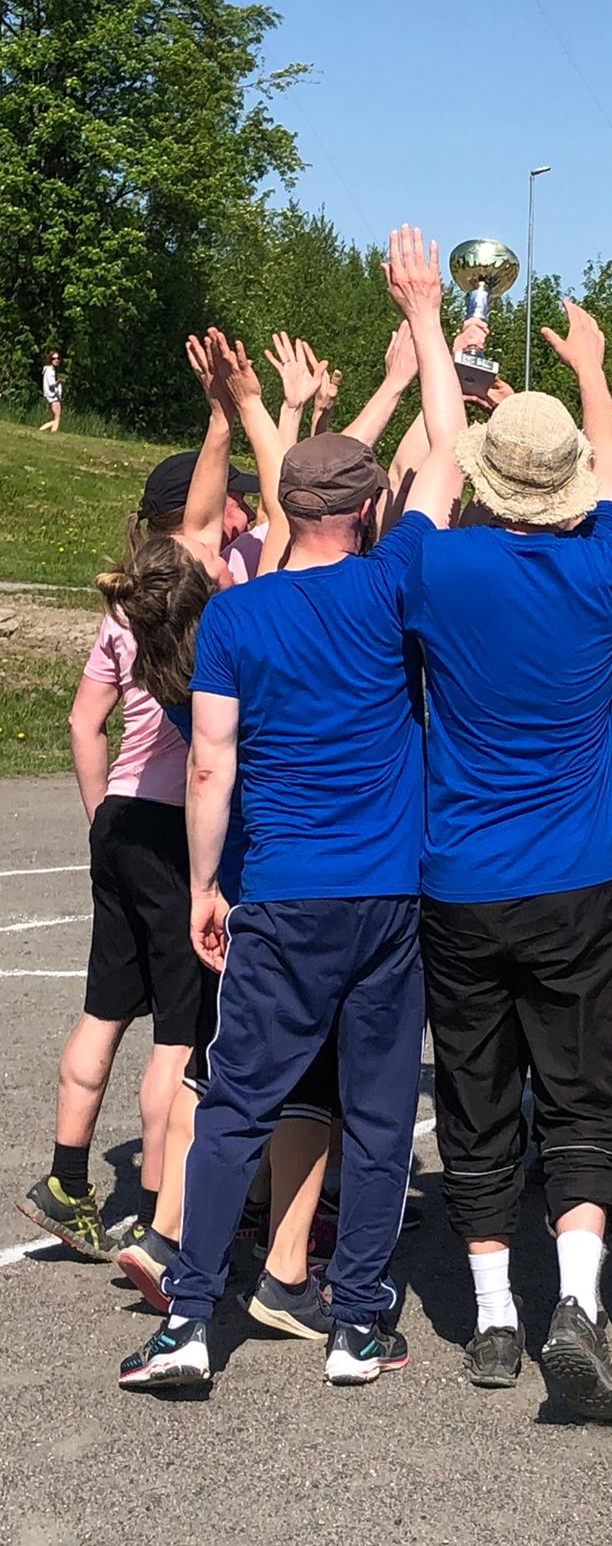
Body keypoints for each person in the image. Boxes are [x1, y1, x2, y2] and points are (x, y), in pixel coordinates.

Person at [117, 224, 464, 1392]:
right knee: (379, 1112)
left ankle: (187, 1322)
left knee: (236, 1108)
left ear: (286, 509)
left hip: (281, 892)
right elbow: (448, 450)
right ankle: (357, 1321)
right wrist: (424, 315)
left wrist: (203, 886)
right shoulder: (394, 582)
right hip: (388, 894)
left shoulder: (237, 612)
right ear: (365, 507)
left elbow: (210, 766)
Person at [407, 301, 612, 1423]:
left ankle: (494, 1313)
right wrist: (592, 371)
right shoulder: (605, 565)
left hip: (460, 878)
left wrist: (431, 336)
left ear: (486, 479)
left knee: (475, 1091)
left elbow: (424, 482)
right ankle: (578, 1302)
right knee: (585, 1093)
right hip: (579, 875)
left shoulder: (440, 566)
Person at [14, 408, 251, 1259]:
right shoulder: (202, 597)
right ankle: (159, 1217)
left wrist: (98, 817)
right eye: (227, 501)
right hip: (172, 825)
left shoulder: (126, 605)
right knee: (180, 1033)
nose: (238, 512)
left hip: (117, 817)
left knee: (104, 1007)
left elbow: (85, 722)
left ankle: (65, 1179)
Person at [39, 350, 63, 432]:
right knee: (57, 417)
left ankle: (42, 430)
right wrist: (58, 382)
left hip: (52, 396)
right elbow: (51, 384)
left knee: (56, 417)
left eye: (58, 358)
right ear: (50, 360)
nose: (56, 360)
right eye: (54, 358)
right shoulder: (50, 370)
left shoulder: (52, 370)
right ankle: (51, 432)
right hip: (52, 396)